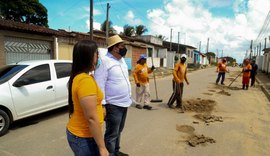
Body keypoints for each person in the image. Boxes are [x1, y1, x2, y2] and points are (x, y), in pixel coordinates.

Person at [66, 40, 109, 156]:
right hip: (85, 137)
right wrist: (102, 148)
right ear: (88, 57)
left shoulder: (82, 76)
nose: (98, 58)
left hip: (82, 135)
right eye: (97, 54)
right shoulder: (85, 81)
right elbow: (91, 118)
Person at [94, 35, 132, 156]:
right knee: (112, 133)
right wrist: (103, 105)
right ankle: (109, 153)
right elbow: (100, 84)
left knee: (119, 130)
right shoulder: (104, 61)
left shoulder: (121, 61)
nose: (124, 48)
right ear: (115, 48)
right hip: (113, 105)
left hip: (124, 102)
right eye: (122, 46)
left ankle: (116, 151)